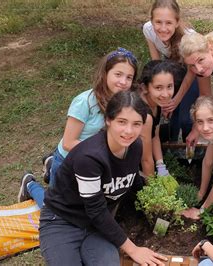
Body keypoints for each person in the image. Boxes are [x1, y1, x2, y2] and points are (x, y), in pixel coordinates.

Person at [38, 91, 168, 265]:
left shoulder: (135, 146)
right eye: (122, 122)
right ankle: (32, 187)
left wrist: (160, 209)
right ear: (108, 120)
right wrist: (133, 249)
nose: (129, 131)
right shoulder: (90, 157)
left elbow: (133, 181)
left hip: (96, 227)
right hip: (63, 222)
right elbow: (96, 210)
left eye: (136, 124)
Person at [18, 48, 139, 208]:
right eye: (118, 74)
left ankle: (49, 166)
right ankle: (30, 186)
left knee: (88, 208)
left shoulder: (123, 104)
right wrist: (104, 156)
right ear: (105, 73)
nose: (123, 82)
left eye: (129, 77)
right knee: (57, 210)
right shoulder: (85, 102)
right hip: (69, 161)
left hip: (93, 164)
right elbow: (68, 142)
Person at [143, 0, 209, 142]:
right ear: (151, 21)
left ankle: (189, 148)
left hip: (191, 68)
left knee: (185, 116)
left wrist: (176, 99)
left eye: (168, 23)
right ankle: (172, 143)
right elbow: (157, 62)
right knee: (171, 112)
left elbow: (192, 71)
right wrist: (163, 95)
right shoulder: (147, 29)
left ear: (177, 22)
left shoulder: (188, 37)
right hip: (171, 65)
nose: (163, 28)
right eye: (158, 22)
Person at [138, 60, 181, 176]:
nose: (166, 94)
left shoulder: (156, 102)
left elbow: (154, 136)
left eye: (169, 86)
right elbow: (146, 159)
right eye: (158, 88)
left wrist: (160, 164)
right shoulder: (144, 115)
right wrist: (154, 188)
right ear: (145, 87)